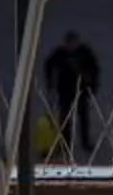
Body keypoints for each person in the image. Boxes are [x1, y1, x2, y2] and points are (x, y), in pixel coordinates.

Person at [42, 29, 102, 161]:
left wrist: (92, 85)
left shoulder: (84, 52)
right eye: (69, 43)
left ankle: (85, 142)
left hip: (81, 90)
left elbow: (94, 68)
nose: (71, 46)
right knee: (65, 118)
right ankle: (66, 144)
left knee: (83, 118)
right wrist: (50, 83)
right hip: (65, 91)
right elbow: (48, 65)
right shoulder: (60, 53)